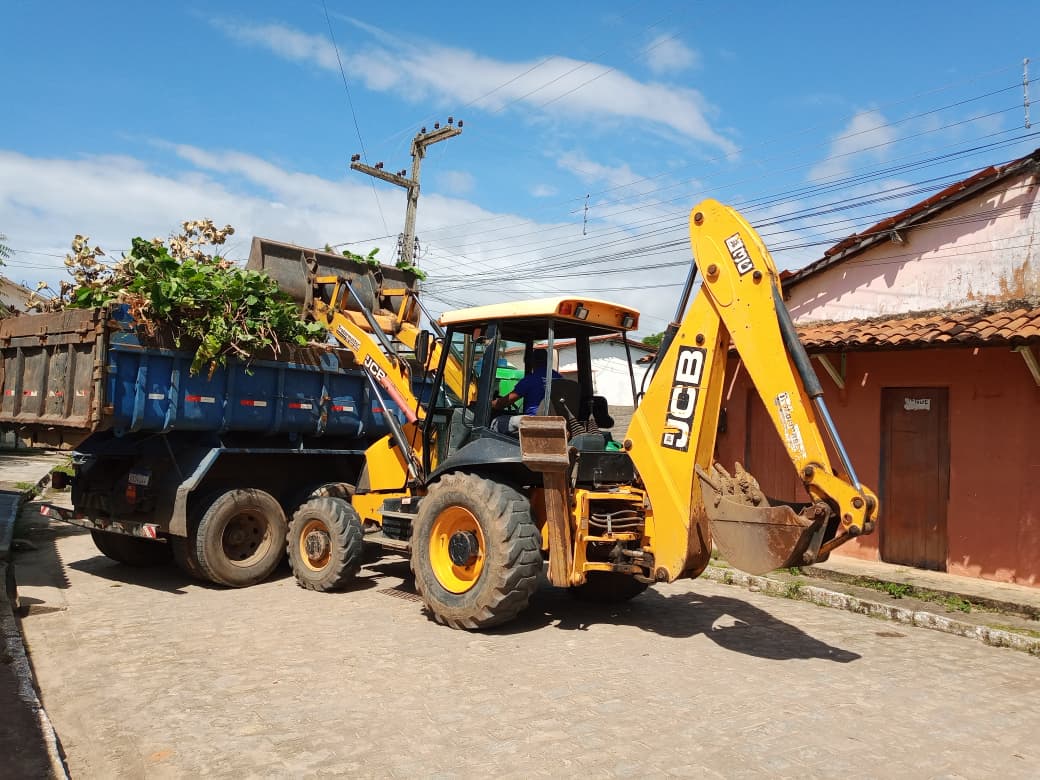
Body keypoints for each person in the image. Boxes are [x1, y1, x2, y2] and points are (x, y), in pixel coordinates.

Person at [491, 349, 561, 433]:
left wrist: (489, 404)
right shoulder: (559, 377)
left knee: (496, 422)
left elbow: (503, 403)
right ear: (547, 361)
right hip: (555, 421)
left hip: (534, 421)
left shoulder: (530, 380)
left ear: (532, 362)